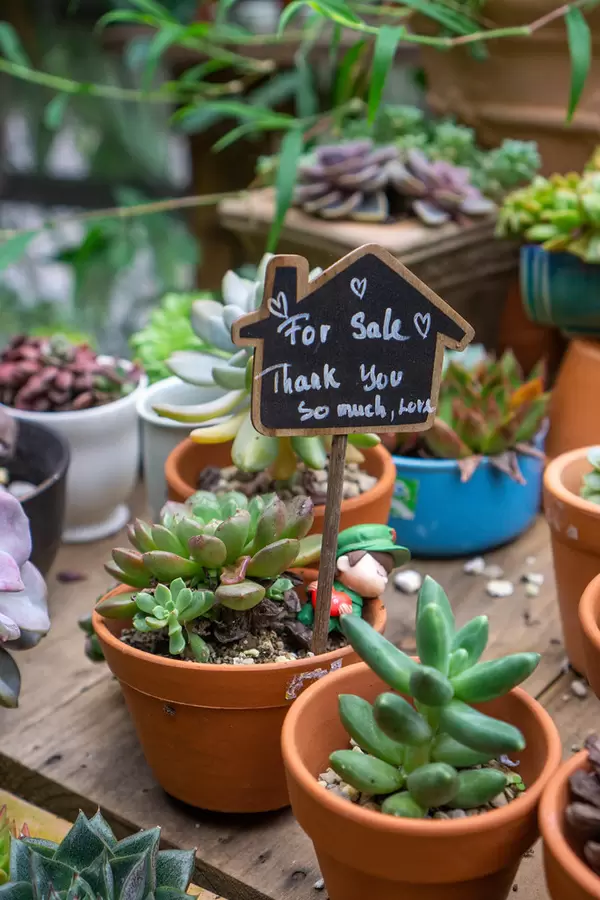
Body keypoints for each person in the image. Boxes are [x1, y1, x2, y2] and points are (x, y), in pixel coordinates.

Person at [298, 524, 410, 633]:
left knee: (328, 624)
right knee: (308, 610)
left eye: (386, 575)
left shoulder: (355, 603)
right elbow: (311, 593)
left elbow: (354, 624)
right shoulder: (329, 584)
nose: (385, 580)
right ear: (344, 563)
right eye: (379, 572)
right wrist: (312, 588)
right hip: (315, 610)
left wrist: (347, 616)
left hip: (332, 624)